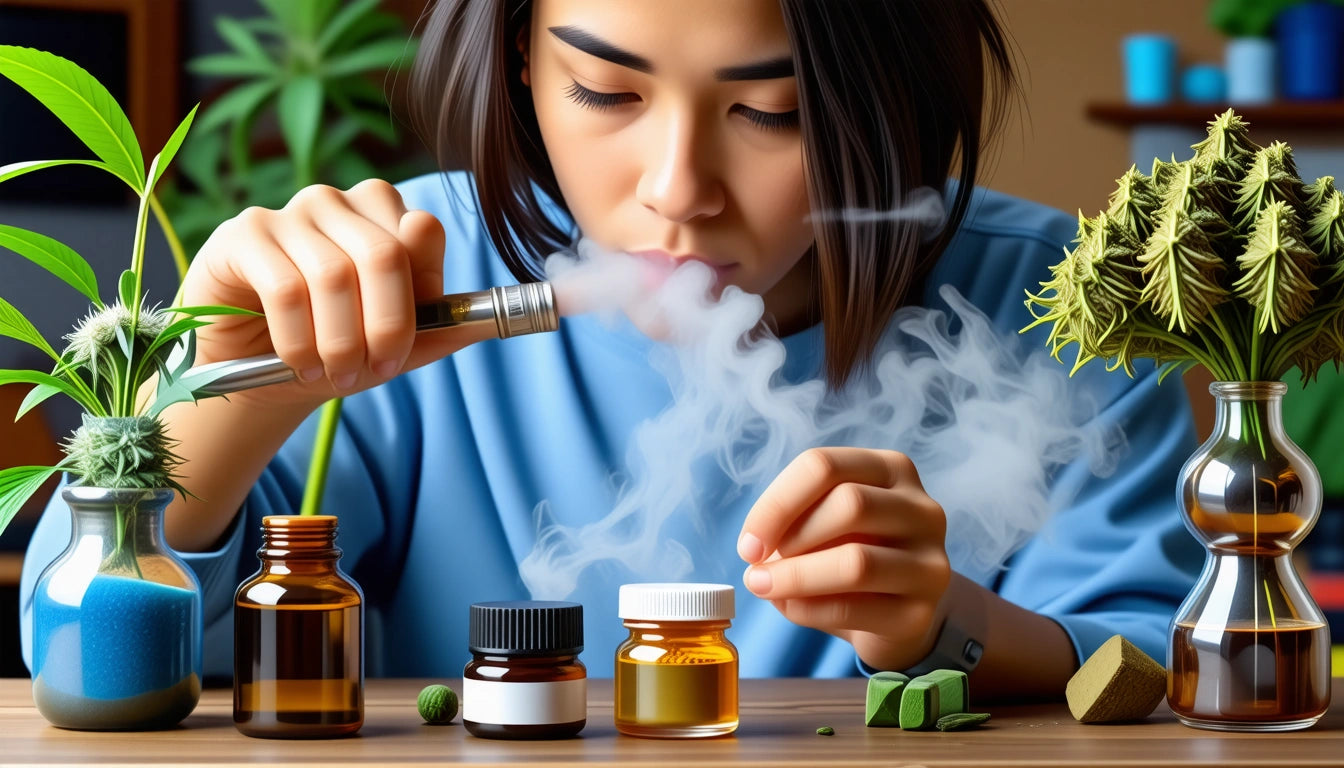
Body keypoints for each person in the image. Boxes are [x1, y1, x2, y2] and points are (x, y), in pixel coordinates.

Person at [21, 0, 1202, 700]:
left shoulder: (1070, 300)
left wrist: (945, 623)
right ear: (525, 64)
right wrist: (226, 390)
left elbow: (1176, 669)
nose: (678, 193)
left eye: (771, 112)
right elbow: (87, 667)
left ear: (890, 101)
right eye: (603, 90)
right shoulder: (399, 274)